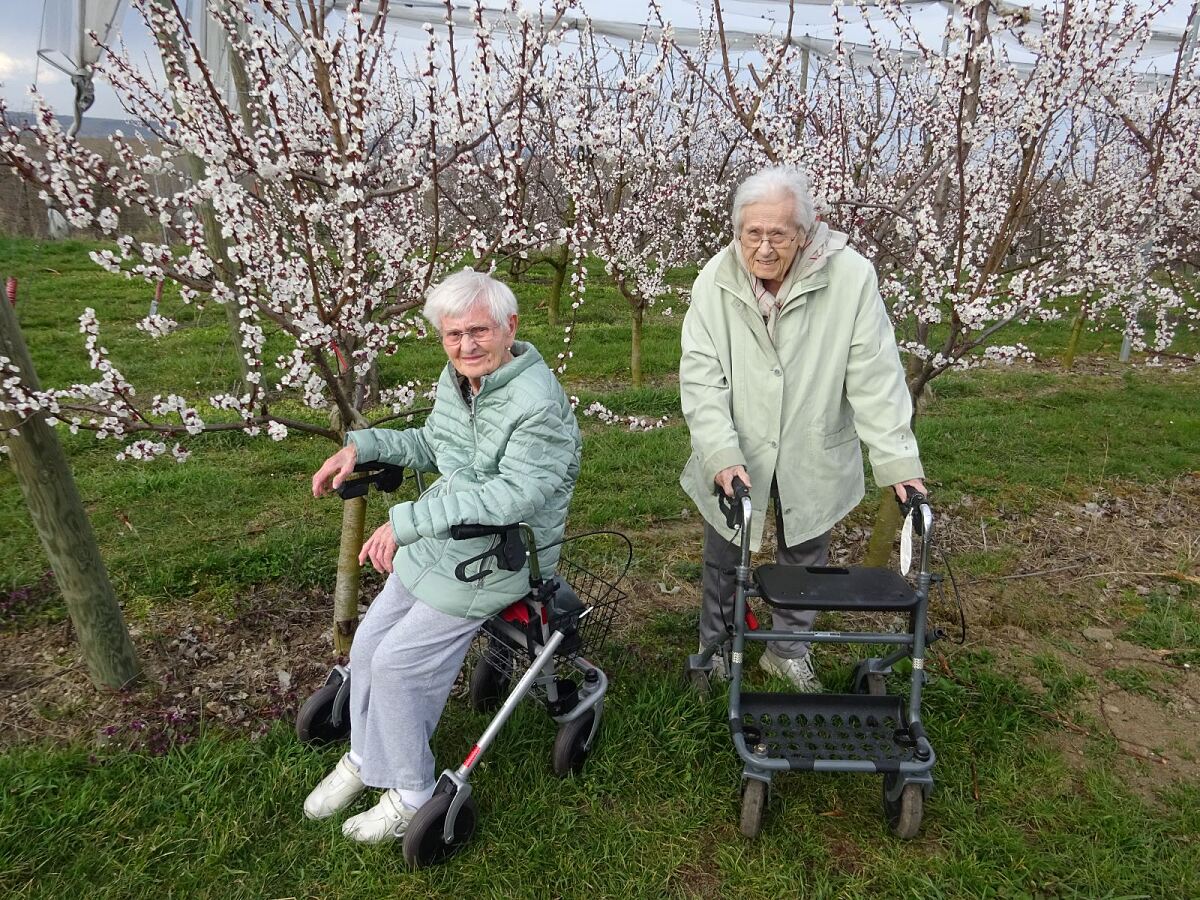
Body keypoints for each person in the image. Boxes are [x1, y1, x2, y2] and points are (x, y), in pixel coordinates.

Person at [304, 270, 582, 843]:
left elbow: (517, 495)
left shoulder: (536, 404)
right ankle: (365, 758)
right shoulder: (460, 380)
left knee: (400, 665)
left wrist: (406, 523)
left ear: (510, 327)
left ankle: (410, 791)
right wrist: (364, 446)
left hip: (504, 555)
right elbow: (438, 445)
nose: (465, 345)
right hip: (450, 538)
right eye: (452, 335)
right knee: (367, 645)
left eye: (478, 331)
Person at [679, 166, 925, 692]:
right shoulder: (714, 279)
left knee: (807, 554)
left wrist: (898, 462)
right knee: (724, 552)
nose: (764, 248)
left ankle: (788, 651)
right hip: (737, 442)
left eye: (779, 235)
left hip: (813, 440)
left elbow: (875, 375)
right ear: (736, 229)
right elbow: (701, 378)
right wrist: (721, 453)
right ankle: (716, 646)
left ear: (806, 232)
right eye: (753, 234)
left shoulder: (851, 278)